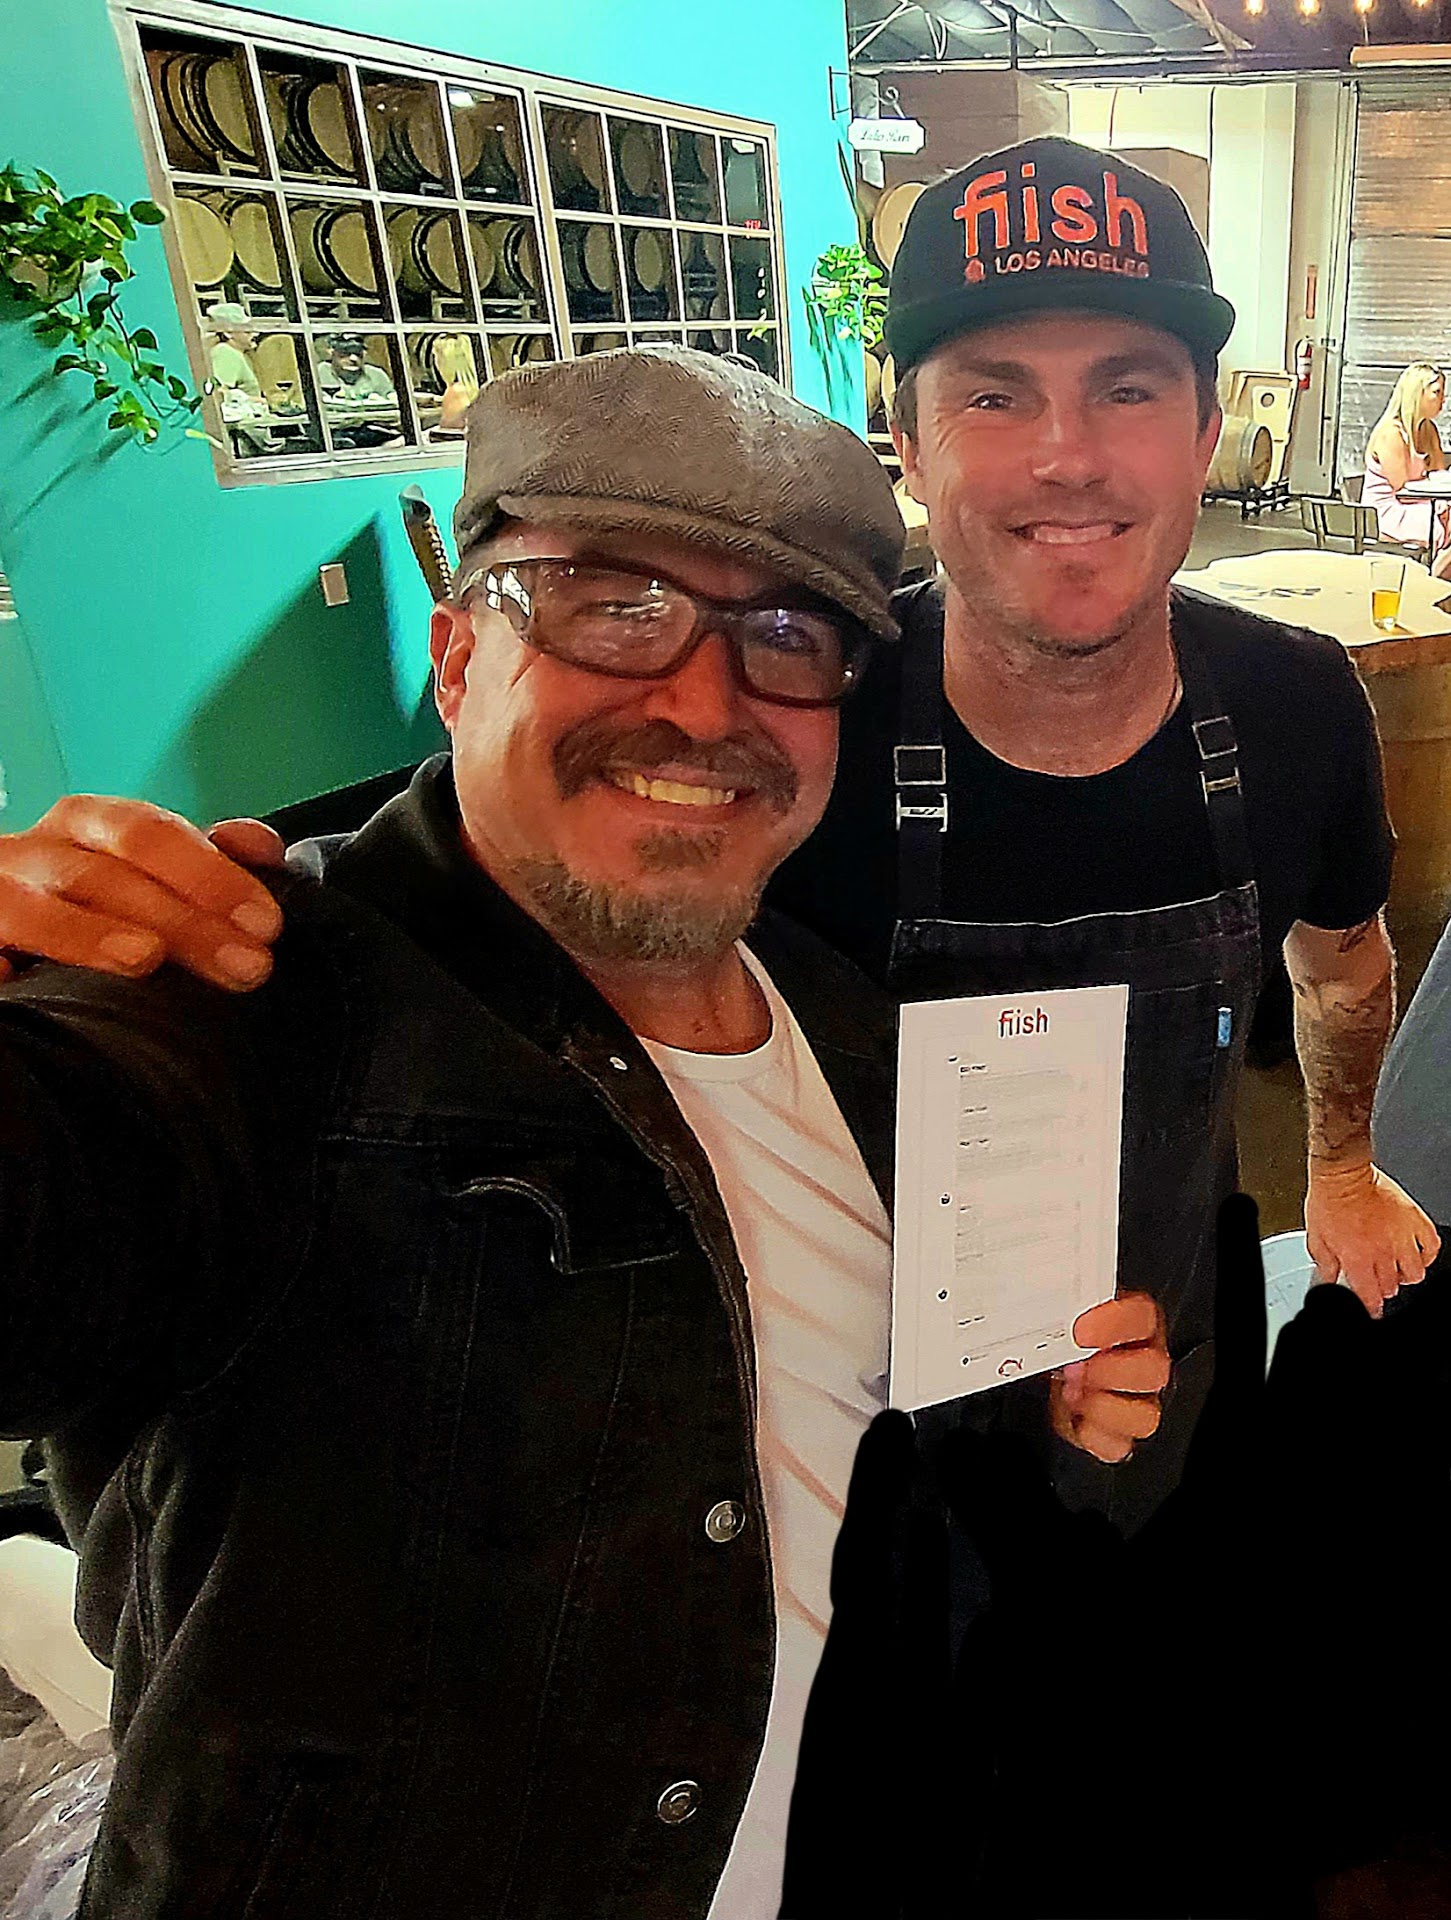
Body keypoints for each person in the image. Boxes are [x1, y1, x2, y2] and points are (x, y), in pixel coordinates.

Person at [5, 141, 1431, 1534]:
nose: (696, 708)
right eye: (606, 610)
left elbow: (1341, 962)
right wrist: (77, 955)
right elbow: (417, 920)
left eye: (1124, 388)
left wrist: (1335, 1171)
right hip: (843, 1432)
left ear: (1202, 433)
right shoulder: (774, 742)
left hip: (1116, 1361)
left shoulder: (1289, 706)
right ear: (909, 444)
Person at [0, 347, 1167, 1918]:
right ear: (456, 655)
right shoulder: (245, 1001)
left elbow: (827, 1430)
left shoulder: (854, 1026)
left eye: (783, 636)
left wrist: (1025, 1391)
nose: (699, 702)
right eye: (610, 605)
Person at [1362, 361, 1451, 572]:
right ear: (1417, 394)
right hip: (1390, 510)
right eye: (1436, 392)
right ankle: (1434, 579)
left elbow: (1439, 476)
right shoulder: (1392, 434)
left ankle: (1437, 576)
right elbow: (1403, 490)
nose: (1443, 400)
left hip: (1423, 503)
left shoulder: (1429, 430)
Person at [317, 331, 396, 402]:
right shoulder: (320, 373)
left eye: (358, 354)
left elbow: (392, 398)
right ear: (332, 353)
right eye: (346, 352)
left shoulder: (376, 375)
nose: (353, 358)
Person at [204, 301, 261, 398]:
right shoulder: (225, 353)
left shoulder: (237, 353)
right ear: (228, 333)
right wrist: (257, 401)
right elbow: (219, 393)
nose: (255, 334)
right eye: (247, 331)